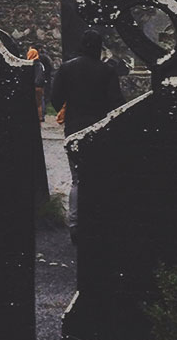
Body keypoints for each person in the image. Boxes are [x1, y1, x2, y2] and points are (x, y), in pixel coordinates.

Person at [51, 29, 126, 242]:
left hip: (74, 127)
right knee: (99, 176)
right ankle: (97, 222)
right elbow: (116, 103)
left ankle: (75, 225)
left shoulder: (67, 69)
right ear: (99, 47)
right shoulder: (107, 71)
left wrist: (71, 108)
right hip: (100, 129)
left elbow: (56, 99)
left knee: (77, 179)